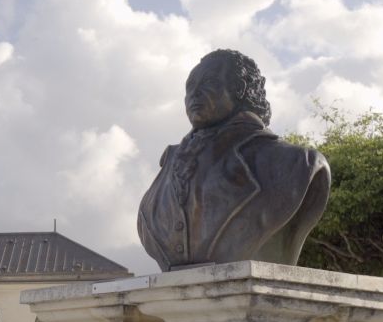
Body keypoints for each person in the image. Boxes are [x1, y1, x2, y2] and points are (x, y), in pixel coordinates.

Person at [136, 48, 331, 271]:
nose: (194, 94)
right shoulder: (169, 165)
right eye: (189, 87)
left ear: (239, 89)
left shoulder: (294, 163)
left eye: (208, 83)